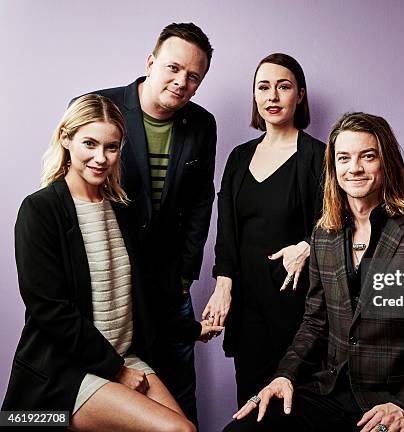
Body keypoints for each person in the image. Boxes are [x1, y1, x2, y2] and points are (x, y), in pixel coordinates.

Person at [224, 112, 404, 432]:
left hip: (391, 399)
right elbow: (314, 322)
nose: (354, 168)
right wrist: (284, 375)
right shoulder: (324, 236)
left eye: (367, 156)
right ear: (334, 168)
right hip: (330, 392)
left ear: (387, 163)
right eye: (344, 158)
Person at [1, 94, 222, 431]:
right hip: (70, 370)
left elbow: (145, 288)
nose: (100, 158)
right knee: (179, 430)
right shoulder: (40, 210)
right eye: (89, 143)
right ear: (66, 138)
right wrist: (117, 371)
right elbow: (49, 309)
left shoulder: (120, 209)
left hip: (123, 358)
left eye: (112, 147)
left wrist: (192, 329)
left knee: (185, 427)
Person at [87, 23, 217, 426]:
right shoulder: (98, 107)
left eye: (193, 76)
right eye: (174, 68)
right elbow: (72, 191)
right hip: (107, 283)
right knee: (114, 390)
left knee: (179, 396)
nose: (181, 82)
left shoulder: (202, 123)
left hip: (169, 286)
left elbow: (200, 201)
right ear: (151, 62)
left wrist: (184, 276)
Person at [203, 53, 325, 406]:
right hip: (248, 308)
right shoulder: (239, 158)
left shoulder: (318, 156)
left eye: (283, 87)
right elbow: (226, 231)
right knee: (251, 407)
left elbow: (338, 223)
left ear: (299, 95)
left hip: (299, 309)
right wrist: (223, 284)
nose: (272, 96)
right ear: (255, 96)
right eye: (263, 87)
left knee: (295, 410)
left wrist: (307, 245)